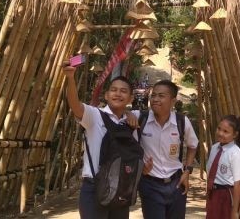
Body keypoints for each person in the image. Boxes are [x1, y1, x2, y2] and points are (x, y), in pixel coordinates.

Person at [63, 65, 137, 219]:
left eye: (123, 91)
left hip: (121, 189)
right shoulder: (94, 115)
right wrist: (70, 78)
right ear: (107, 95)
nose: (118, 94)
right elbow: (75, 105)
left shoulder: (131, 123)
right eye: (114, 90)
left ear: (131, 98)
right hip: (94, 187)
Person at [133, 80, 199, 219]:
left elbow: (193, 145)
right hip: (150, 184)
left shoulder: (181, 121)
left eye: (161, 96)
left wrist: (187, 171)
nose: (155, 99)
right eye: (153, 95)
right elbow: (120, 113)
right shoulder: (141, 118)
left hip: (176, 184)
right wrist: (127, 115)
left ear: (173, 100)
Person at [205, 115, 240, 219]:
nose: (220, 133)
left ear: (235, 134)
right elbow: (210, 174)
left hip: (226, 196)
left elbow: (238, 184)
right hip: (212, 194)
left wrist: (235, 210)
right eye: (219, 129)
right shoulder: (214, 148)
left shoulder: (235, 153)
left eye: (226, 131)